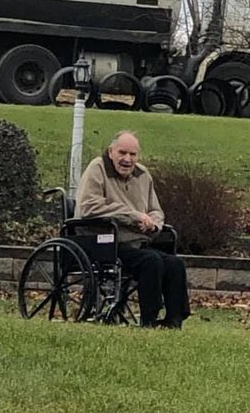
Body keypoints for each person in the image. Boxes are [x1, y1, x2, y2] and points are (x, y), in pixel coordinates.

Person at [74, 130, 190, 329]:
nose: (127, 159)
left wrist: (154, 223)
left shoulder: (143, 175)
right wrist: (133, 216)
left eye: (133, 154)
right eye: (122, 153)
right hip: (105, 242)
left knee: (174, 263)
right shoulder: (98, 168)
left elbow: (156, 210)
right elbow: (88, 207)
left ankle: (174, 319)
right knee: (151, 262)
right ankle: (149, 320)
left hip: (136, 242)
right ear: (111, 152)